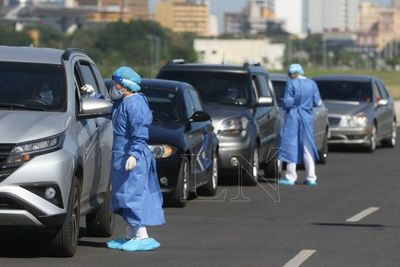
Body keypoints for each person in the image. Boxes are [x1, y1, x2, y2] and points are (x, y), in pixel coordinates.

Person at [106, 66, 165, 252]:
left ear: (124, 85)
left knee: (132, 196)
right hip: (121, 156)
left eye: (116, 84)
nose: (114, 87)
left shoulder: (136, 104)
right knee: (123, 196)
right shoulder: (123, 102)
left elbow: (140, 133)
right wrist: (92, 95)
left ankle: (141, 236)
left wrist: (134, 154)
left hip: (132, 157)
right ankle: (130, 235)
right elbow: (109, 108)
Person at [278, 64, 321, 186]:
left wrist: (286, 105)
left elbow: (287, 102)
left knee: (291, 145)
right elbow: (317, 102)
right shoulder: (312, 83)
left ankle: (291, 177)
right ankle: (311, 177)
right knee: (307, 146)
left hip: (293, 116)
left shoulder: (290, 83)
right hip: (307, 117)